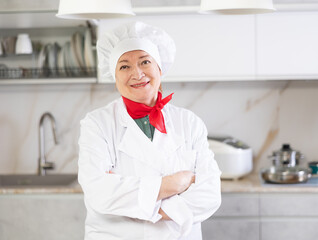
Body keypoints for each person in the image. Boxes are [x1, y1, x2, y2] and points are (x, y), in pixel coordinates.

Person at [78, 21, 221, 240]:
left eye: (145, 62)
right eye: (124, 66)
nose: (137, 73)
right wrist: (174, 184)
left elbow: (210, 193)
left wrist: (151, 208)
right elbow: (99, 191)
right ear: (114, 77)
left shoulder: (189, 122)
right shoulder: (97, 124)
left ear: (160, 69)